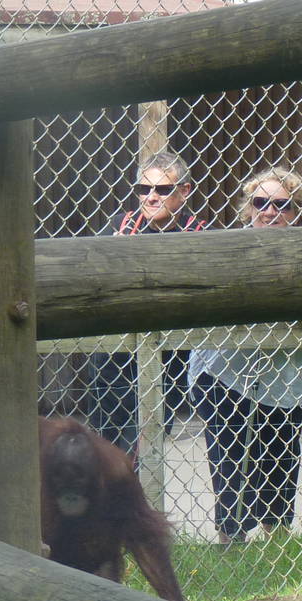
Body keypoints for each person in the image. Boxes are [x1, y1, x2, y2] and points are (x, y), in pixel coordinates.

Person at [190, 167, 302, 544]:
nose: (269, 212)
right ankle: (231, 541)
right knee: (229, 459)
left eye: (282, 205)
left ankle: (278, 541)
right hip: (226, 371)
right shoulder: (229, 248)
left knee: (281, 457)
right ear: (248, 208)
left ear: (299, 212)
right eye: (260, 202)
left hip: (288, 375)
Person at [85, 151, 207, 455]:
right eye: (144, 189)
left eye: (162, 189)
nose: (151, 197)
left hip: (167, 359)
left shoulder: (199, 235)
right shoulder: (120, 227)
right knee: (106, 450)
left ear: (184, 191)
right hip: (114, 361)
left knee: (145, 449)